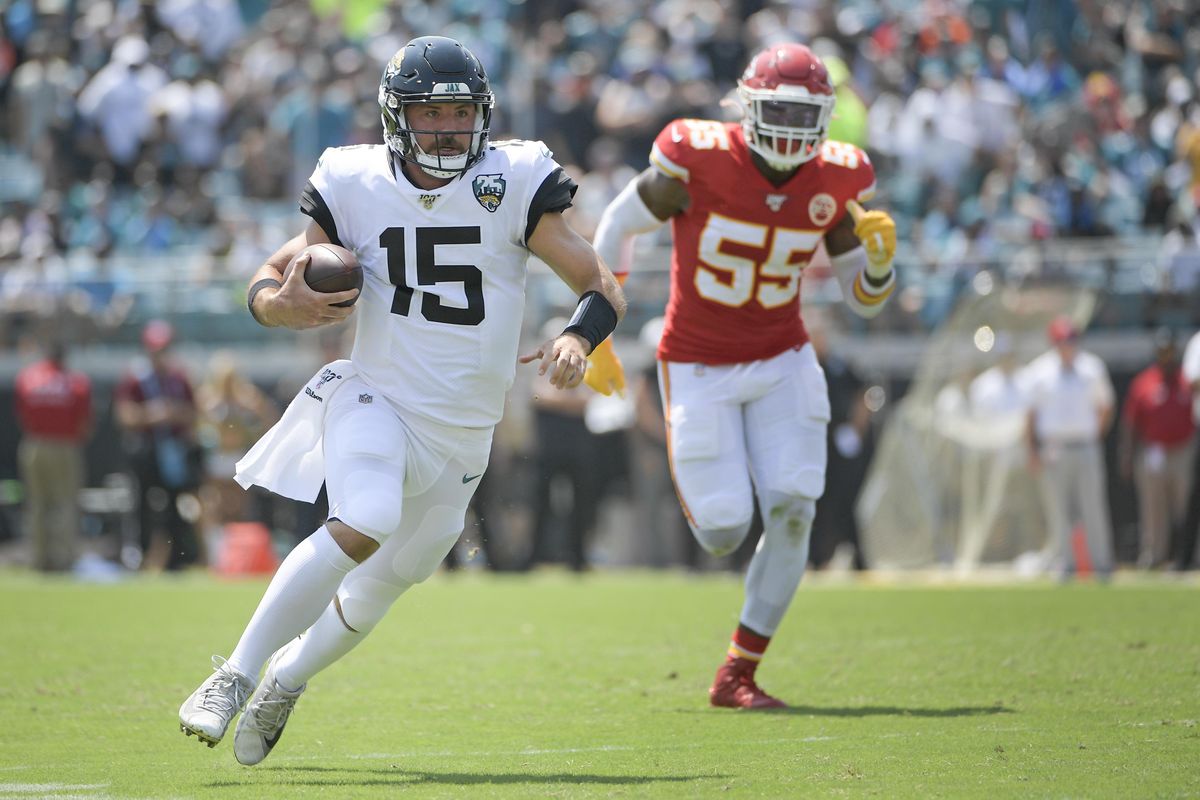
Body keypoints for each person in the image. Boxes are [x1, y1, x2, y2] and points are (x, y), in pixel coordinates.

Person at [178, 36, 625, 765]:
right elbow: (273, 274)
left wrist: (578, 338)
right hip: (374, 396)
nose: (449, 127)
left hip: (465, 432)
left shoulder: (512, 177)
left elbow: (598, 282)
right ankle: (234, 673)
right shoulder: (352, 180)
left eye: (460, 111)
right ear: (396, 117)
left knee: (395, 577)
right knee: (368, 516)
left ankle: (286, 680)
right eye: (432, 112)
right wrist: (274, 306)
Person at [592, 43, 897, 709]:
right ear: (747, 107)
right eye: (777, 108)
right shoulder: (696, 156)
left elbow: (863, 298)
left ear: (826, 117)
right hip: (697, 361)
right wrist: (597, 324)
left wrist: (877, 265)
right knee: (724, 528)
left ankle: (738, 674)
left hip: (782, 356)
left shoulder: (838, 175)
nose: (789, 124)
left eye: (803, 111)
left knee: (793, 510)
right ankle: (728, 539)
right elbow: (618, 222)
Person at [1024, 316, 1116, 580]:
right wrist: (1032, 451)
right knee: (1058, 509)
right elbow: (1031, 416)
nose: (1067, 345)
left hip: (1085, 445)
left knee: (1093, 506)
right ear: (1054, 343)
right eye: (1062, 340)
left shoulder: (1092, 367)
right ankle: (1065, 564)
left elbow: (1106, 406)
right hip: (1054, 448)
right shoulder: (1039, 371)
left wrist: (1093, 435)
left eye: (1071, 340)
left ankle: (1102, 565)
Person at [114, 320, 202, 571]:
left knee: (175, 503)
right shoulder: (135, 379)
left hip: (173, 451)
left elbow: (193, 413)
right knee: (141, 503)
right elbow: (125, 417)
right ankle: (139, 557)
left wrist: (173, 413)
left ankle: (175, 559)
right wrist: (153, 415)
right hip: (145, 450)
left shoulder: (179, 378)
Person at [13, 339, 93, 572]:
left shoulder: (28, 378)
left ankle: (39, 560)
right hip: (66, 445)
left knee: (37, 504)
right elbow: (85, 424)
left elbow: (21, 417)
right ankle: (64, 559)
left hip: (35, 443)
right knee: (65, 503)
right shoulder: (76, 382)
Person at [1117, 328, 1194, 569]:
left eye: (1169, 351)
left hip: (1184, 450)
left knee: (1188, 506)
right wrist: (1127, 455)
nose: (1166, 356)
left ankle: (1190, 555)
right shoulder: (1144, 382)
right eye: (1162, 351)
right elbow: (1130, 423)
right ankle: (1154, 554)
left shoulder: (1188, 381)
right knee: (1153, 507)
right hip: (1153, 452)